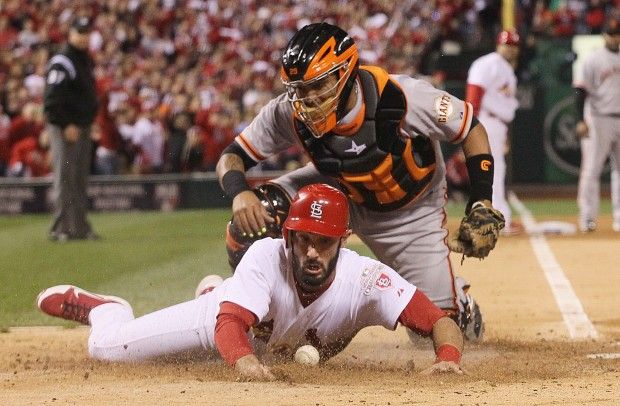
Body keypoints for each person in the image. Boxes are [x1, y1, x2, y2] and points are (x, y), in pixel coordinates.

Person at [216, 22, 505, 341]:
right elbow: (231, 156)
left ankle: (459, 306)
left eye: (318, 85)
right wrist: (239, 192)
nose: (307, 99)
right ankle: (272, 317)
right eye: (299, 89)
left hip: (411, 212)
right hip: (340, 193)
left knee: (436, 333)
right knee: (253, 220)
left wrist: (482, 199)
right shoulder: (288, 113)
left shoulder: (400, 96)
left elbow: (470, 128)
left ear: (346, 72)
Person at [37, 184, 465, 380]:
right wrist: (244, 364)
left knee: (247, 316)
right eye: (304, 241)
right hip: (220, 324)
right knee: (109, 351)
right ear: (289, 237)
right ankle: (106, 311)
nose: (312, 252)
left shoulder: (368, 279)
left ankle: (216, 286)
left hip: (263, 333)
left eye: (324, 242)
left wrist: (448, 356)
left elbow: (437, 319)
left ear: (342, 242)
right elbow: (228, 326)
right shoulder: (267, 255)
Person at [43, 16, 99, 241]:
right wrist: (65, 123)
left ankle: (79, 228)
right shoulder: (62, 60)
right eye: (80, 32)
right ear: (71, 34)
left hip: (81, 126)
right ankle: (61, 228)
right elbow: (52, 98)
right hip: (66, 127)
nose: (84, 37)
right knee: (65, 178)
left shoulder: (83, 59)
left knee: (78, 180)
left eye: (86, 32)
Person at [466, 29, 523, 236]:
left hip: (497, 124)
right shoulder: (488, 63)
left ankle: (493, 218)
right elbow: (474, 94)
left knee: (495, 171)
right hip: (486, 122)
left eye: (513, 46)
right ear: (498, 44)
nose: (510, 49)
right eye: (507, 44)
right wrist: (472, 128)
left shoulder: (505, 68)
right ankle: (498, 220)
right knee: (494, 172)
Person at [574, 16, 620, 233]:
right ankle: (587, 218)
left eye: (617, 33)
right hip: (598, 117)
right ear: (604, 35)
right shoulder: (594, 59)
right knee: (592, 170)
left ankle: (619, 217)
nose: (615, 37)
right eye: (611, 33)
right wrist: (580, 120)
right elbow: (580, 91)